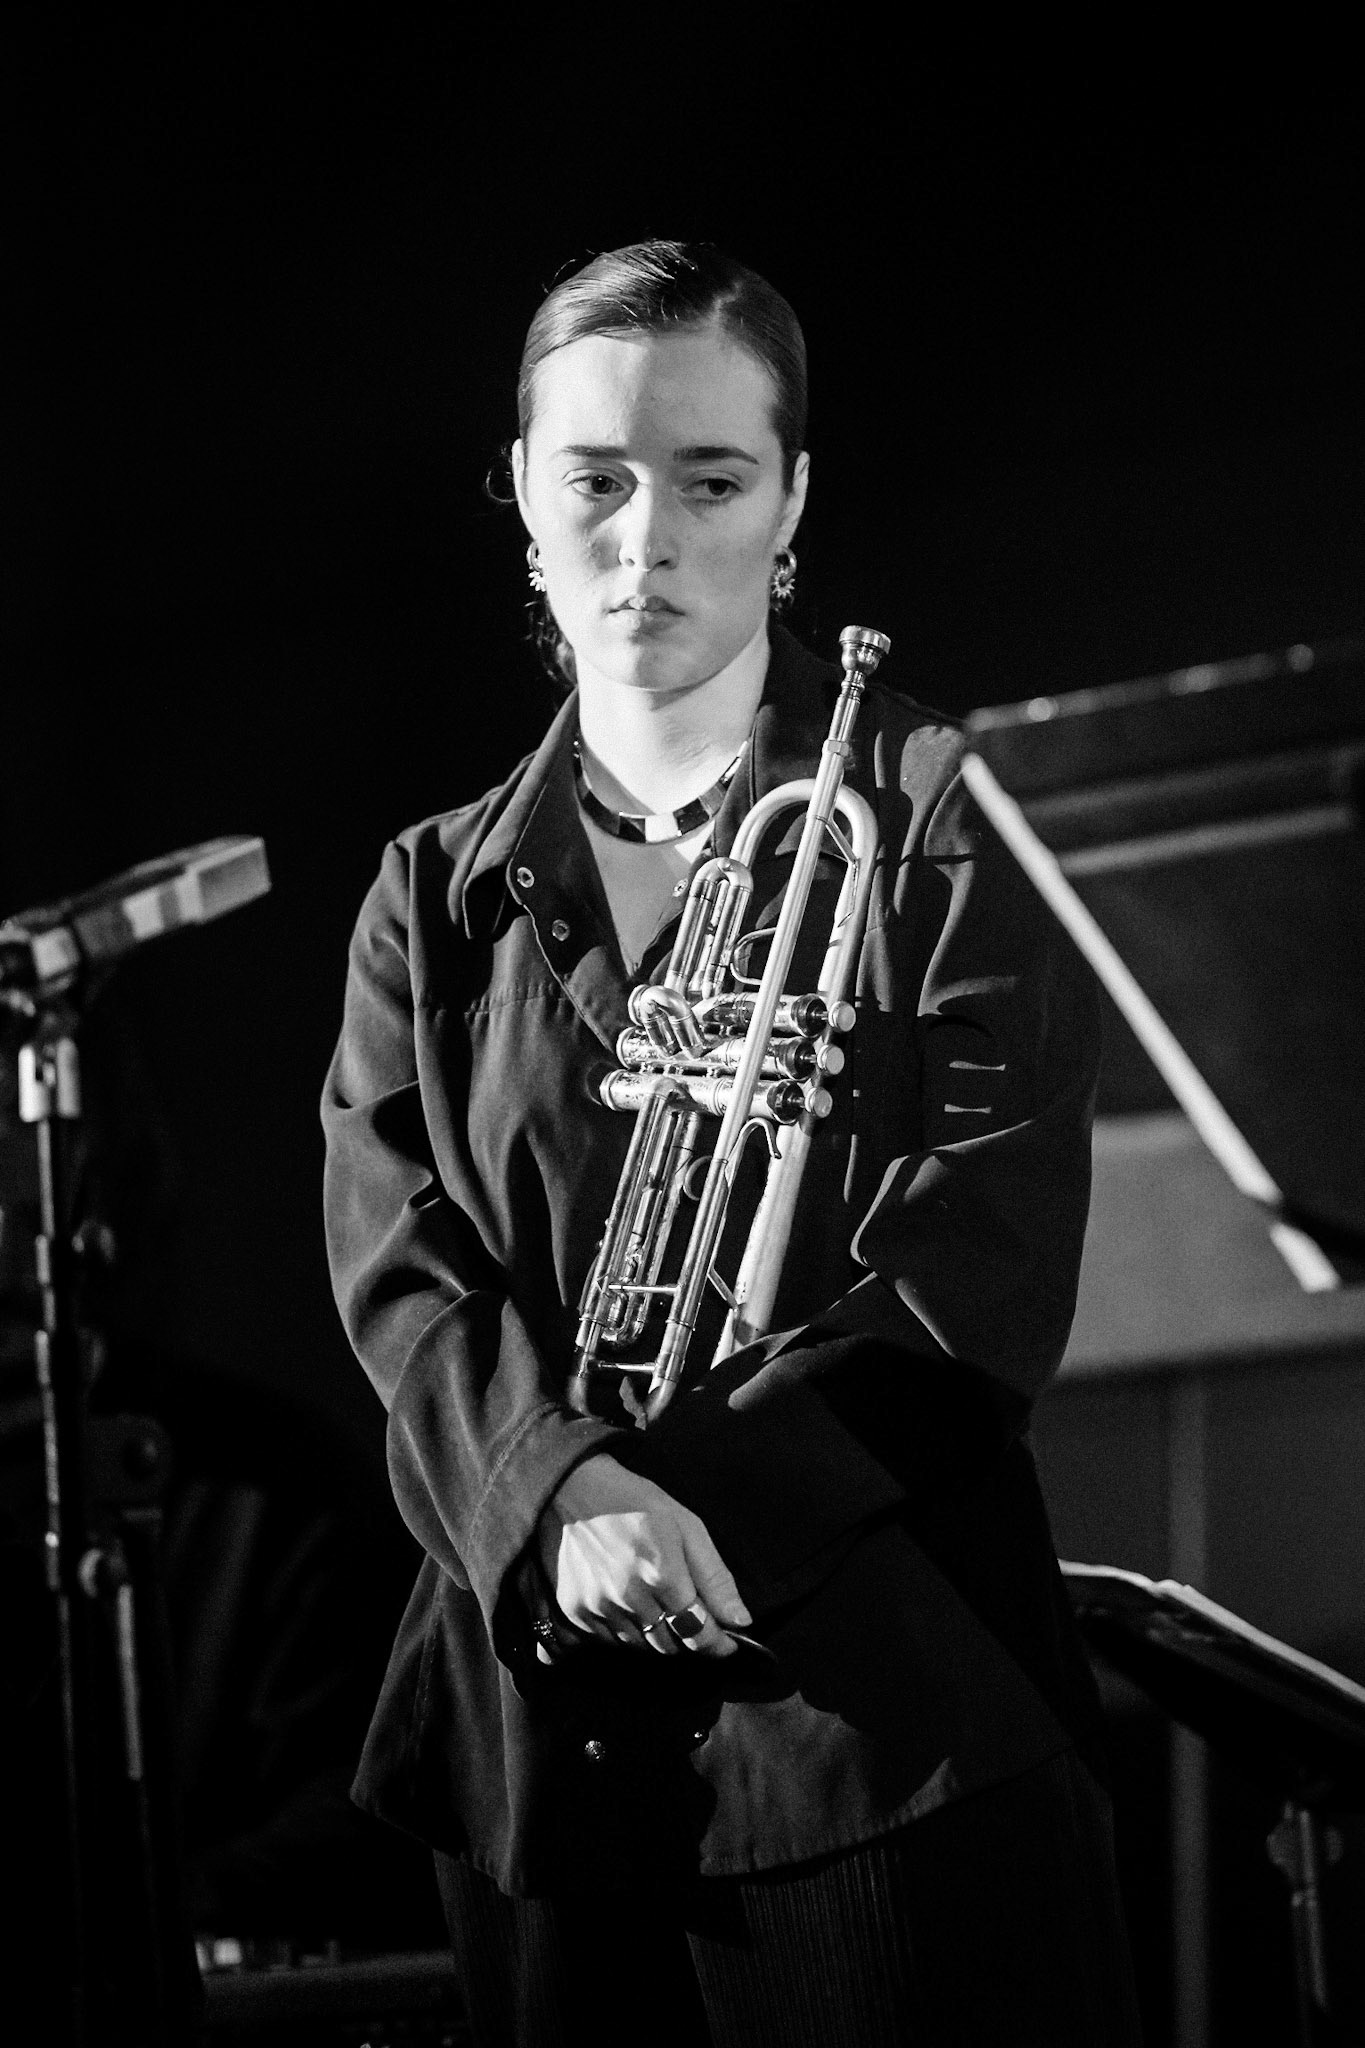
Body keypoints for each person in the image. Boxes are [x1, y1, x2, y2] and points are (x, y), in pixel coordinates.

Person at [321, 240, 1142, 2046]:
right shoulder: (429, 892)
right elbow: (401, 1267)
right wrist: (556, 1494)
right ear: (522, 504)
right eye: (592, 481)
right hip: (531, 1741)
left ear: (789, 504)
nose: (646, 537)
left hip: (882, 1717)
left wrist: (680, 1508)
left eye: (709, 479)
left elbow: (979, 1257)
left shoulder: (935, 817)